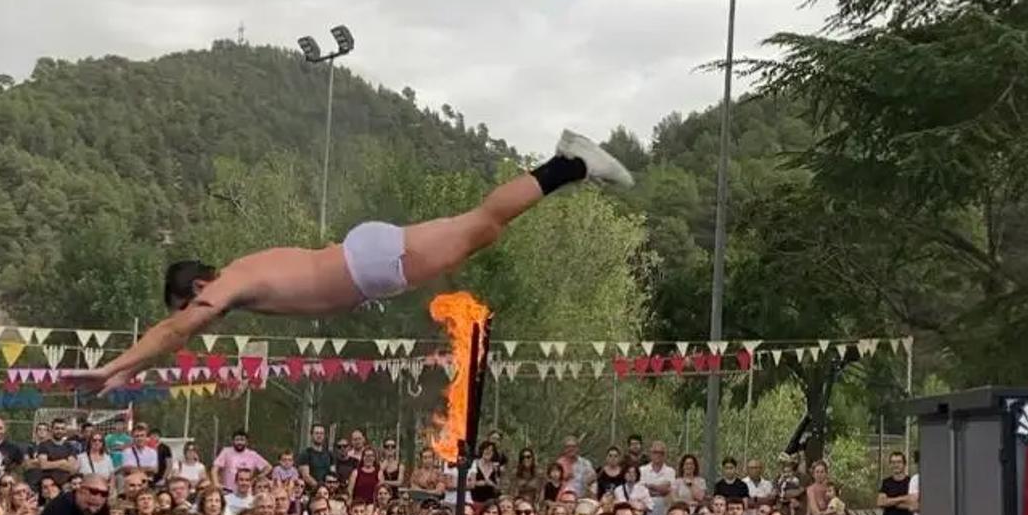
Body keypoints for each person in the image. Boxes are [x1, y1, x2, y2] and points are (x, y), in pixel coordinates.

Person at [88, 133, 633, 391]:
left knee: (481, 226)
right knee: (480, 228)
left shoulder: (227, 283)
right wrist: (127, 374)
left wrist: (113, 365)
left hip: (366, 265)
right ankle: (565, 164)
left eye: (191, 301)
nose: (198, 315)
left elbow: (174, 330)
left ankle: (569, 164)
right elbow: (176, 336)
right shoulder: (242, 274)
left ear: (200, 283)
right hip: (365, 260)